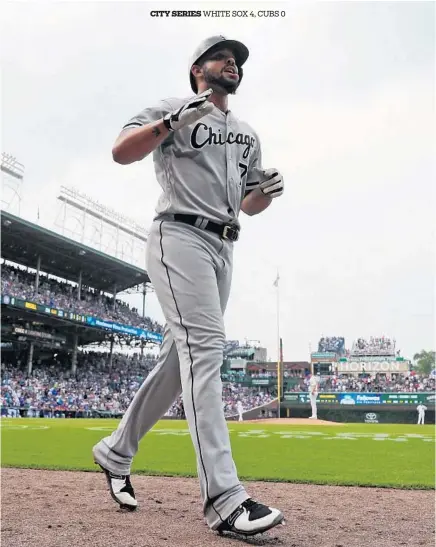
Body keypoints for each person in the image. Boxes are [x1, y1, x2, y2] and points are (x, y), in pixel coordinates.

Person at [92, 35, 285, 538]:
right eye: (223, 57)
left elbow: (247, 205)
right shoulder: (172, 107)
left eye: (238, 60)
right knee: (206, 352)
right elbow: (120, 152)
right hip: (178, 235)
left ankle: (115, 451)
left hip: (224, 245)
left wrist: (265, 192)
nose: (233, 64)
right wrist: (172, 121)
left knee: (182, 364)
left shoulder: (246, 133)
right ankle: (224, 499)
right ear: (198, 68)